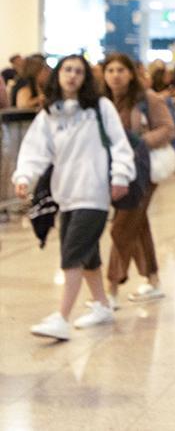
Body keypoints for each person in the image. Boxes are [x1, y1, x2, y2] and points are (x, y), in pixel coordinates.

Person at [12, 54, 135, 340]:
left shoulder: (100, 108)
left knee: (72, 255)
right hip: (66, 194)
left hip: (93, 194)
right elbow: (35, 149)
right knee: (87, 255)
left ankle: (62, 317)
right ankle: (102, 305)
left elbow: (119, 144)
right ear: (58, 75)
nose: (72, 76)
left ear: (86, 78)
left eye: (79, 71)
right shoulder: (51, 113)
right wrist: (23, 177)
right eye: (67, 70)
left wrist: (120, 176)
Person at [100, 53, 175, 306]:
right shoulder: (103, 102)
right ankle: (153, 280)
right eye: (110, 70)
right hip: (117, 171)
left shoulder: (147, 99)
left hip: (143, 169)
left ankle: (110, 289)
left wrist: (138, 143)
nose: (115, 75)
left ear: (131, 73)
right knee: (137, 224)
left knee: (121, 226)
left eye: (121, 70)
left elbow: (167, 129)